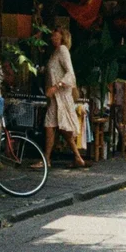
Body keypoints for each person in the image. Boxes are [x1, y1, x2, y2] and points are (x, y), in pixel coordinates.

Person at [42, 28, 87, 168]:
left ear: (62, 37)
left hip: (60, 96)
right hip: (56, 97)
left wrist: (56, 86)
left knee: (51, 126)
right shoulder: (55, 53)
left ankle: (46, 160)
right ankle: (77, 157)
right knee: (60, 128)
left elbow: (70, 73)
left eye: (55, 35)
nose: (52, 38)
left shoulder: (62, 50)